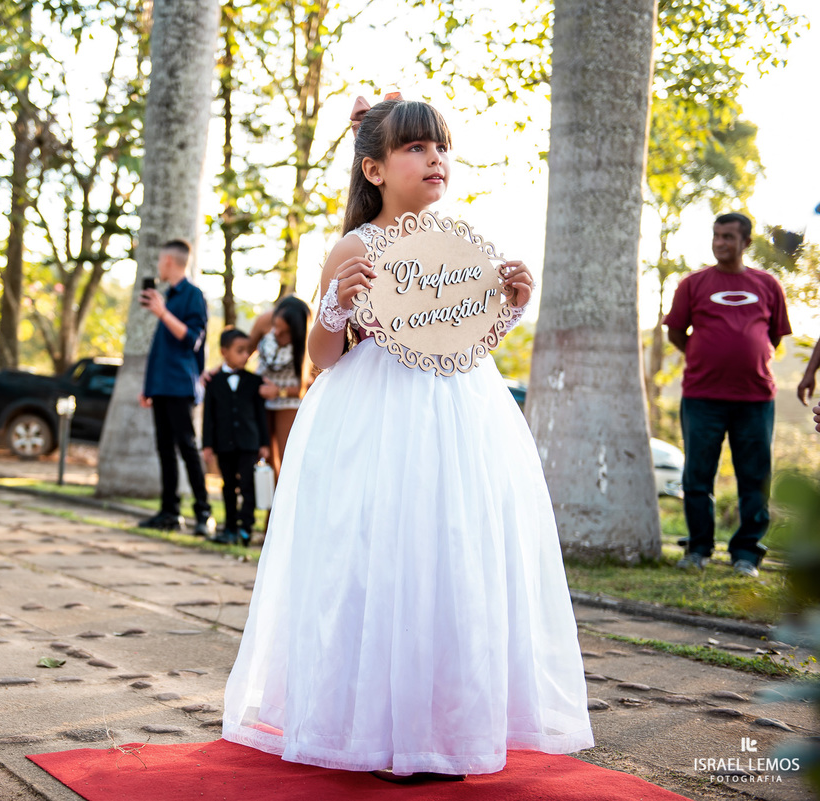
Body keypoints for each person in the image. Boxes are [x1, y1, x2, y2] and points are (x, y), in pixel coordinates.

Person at [221, 96, 593, 781]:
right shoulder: (353, 247)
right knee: (378, 553)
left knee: (451, 552)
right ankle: (370, 724)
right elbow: (324, 357)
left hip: (459, 412)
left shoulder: (460, 243)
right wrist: (334, 304)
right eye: (416, 148)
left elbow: (465, 343)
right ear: (374, 167)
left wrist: (507, 308)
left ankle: (447, 726)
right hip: (374, 410)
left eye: (441, 148)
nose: (435, 160)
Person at [665, 212, 791, 579]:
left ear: (746, 242)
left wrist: (741, 354)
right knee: (697, 477)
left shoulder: (768, 284)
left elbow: (775, 336)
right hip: (702, 396)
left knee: (754, 477)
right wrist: (705, 354)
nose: (721, 242)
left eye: (729, 237)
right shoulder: (693, 284)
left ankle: (746, 555)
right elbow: (676, 331)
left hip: (755, 399)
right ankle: (698, 549)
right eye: (716, 236)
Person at [136, 239, 215, 537]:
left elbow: (192, 339)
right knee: (165, 451)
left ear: (170, 261)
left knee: (187, 448)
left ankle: (203, 512)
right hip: (161, 386)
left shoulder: (193, 296)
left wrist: (162, 313)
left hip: (181, 385)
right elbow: (160, 349)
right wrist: (148, 387)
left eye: (160, 259)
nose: (158, 265)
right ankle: (169, 512)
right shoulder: (167, 295)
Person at [201, 328, 271, 545]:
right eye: (239, 351)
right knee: (228, 485)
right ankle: (230, 528)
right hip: (224, 444)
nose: (245, 356)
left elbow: (261, 415)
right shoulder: (213, 382)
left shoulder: (254, 381)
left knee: (248, 485)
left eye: (247, 351)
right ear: (224, 352)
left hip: (249, 443)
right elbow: (208, 415)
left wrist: (264, 443)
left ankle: (246, 529)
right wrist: (207, 445)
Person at [248, 296, 311, 475]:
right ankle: (271, 502)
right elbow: (246, 350)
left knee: (287, 456)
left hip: (290, 400)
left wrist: (280, 392)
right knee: (264, 456)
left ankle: (288, 501)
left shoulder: (309, 336)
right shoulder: (264, 321)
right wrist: (219, 370)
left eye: (283, 332)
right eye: (275, 327)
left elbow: (313, 383)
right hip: (262, 396)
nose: (276, 333)